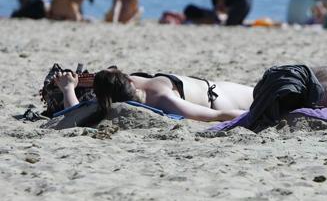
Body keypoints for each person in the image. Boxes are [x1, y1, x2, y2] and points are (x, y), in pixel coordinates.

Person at [53, 67, 253, 123]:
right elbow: (216, 116)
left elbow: (74, 112)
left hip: (219, 95)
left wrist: (69, 88)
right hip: (223, 96)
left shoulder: (163, 99)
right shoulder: (155, 93)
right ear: (129, 81)